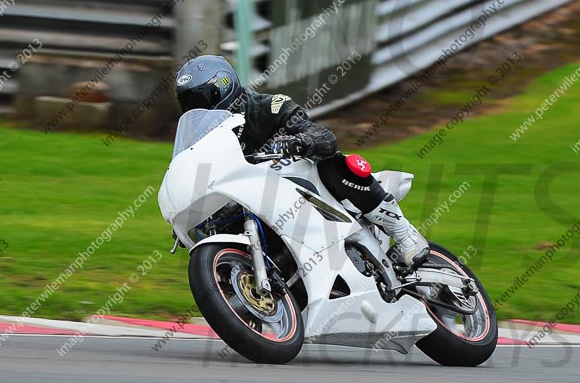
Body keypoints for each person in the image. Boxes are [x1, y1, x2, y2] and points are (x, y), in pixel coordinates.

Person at [174, 55, 429, 268]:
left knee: (333, 162)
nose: (200, 108)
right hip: (260, 201)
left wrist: (299, 142)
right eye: (191, 103)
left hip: (305, 187)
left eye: (204, 98)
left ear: (224, 86)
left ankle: (402, 231)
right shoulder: (205, 140)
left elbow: (323, 136)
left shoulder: (268, 106)